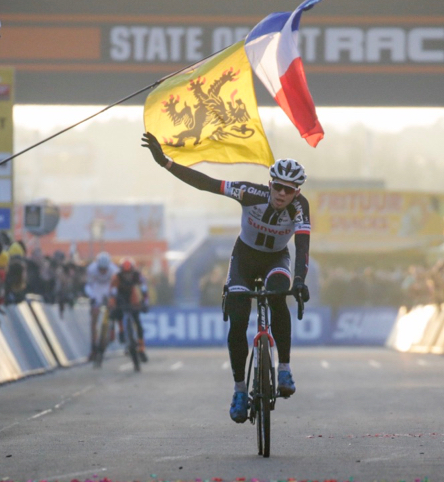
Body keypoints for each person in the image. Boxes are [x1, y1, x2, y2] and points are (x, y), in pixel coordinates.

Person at [142, 132, 311, 424]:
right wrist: (166, 163)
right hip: (244, 259)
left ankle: (283, 367)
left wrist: (300, 280)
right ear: (270, 184)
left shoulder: (300, 207)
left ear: (297, 192)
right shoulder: (250, 193)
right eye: (279, 187)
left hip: (276, 260)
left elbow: (303, 245)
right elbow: (207, 184)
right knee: (238, 316)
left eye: (290, 189)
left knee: (279, 294)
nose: (283, 194)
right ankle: (239, 390)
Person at [110, 257, 150, 363]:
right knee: (117, 313)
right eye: (125, 273)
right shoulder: (117, 277)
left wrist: (145, 302)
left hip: (132, 298)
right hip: (120, 298)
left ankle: (141, 348)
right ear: (121, 272)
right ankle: (121, 331)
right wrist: (113, 304)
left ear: (133, 271)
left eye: (129, 273)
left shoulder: (137, 276)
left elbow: (144, 289)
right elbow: (113, 293)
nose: (127, 276)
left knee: (138, 322)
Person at [84, 251, 119, 360]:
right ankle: (94, 345)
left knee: (112, 308)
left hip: (108, 287)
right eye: (101, 269)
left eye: (105, 269)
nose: (103, 271)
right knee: (94, 315)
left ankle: (110, 328)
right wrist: (93, 297)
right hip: (97, 288)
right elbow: (88, 286)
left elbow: (116, 287)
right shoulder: (91, 269)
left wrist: (113, 296)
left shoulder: (114, 270)